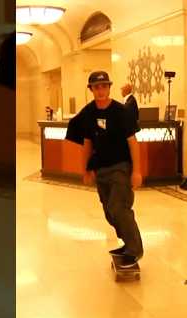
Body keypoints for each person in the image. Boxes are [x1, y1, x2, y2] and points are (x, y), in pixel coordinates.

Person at [65, 71, 144, 268]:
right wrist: (86, 170)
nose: (100, 91)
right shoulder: (88, 112)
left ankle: (135, 250)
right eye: (96, 87)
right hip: (101, 169)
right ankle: (127, 243)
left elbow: (133, 143)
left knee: (119, 207)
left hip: (120, 167)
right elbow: (87, 142)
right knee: (109, 212)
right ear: (91, 89)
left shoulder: (121, 111)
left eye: (104, 86)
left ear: (109, 88)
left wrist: (137, 171)